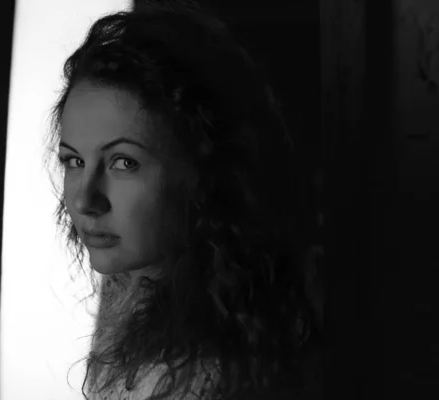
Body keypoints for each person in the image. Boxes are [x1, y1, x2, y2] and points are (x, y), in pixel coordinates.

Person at [42, 1, 322, 398]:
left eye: (123, 162)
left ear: (204, 173)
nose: (86, 200)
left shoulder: (216, 371)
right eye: (74, 160)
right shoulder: (137, 309)